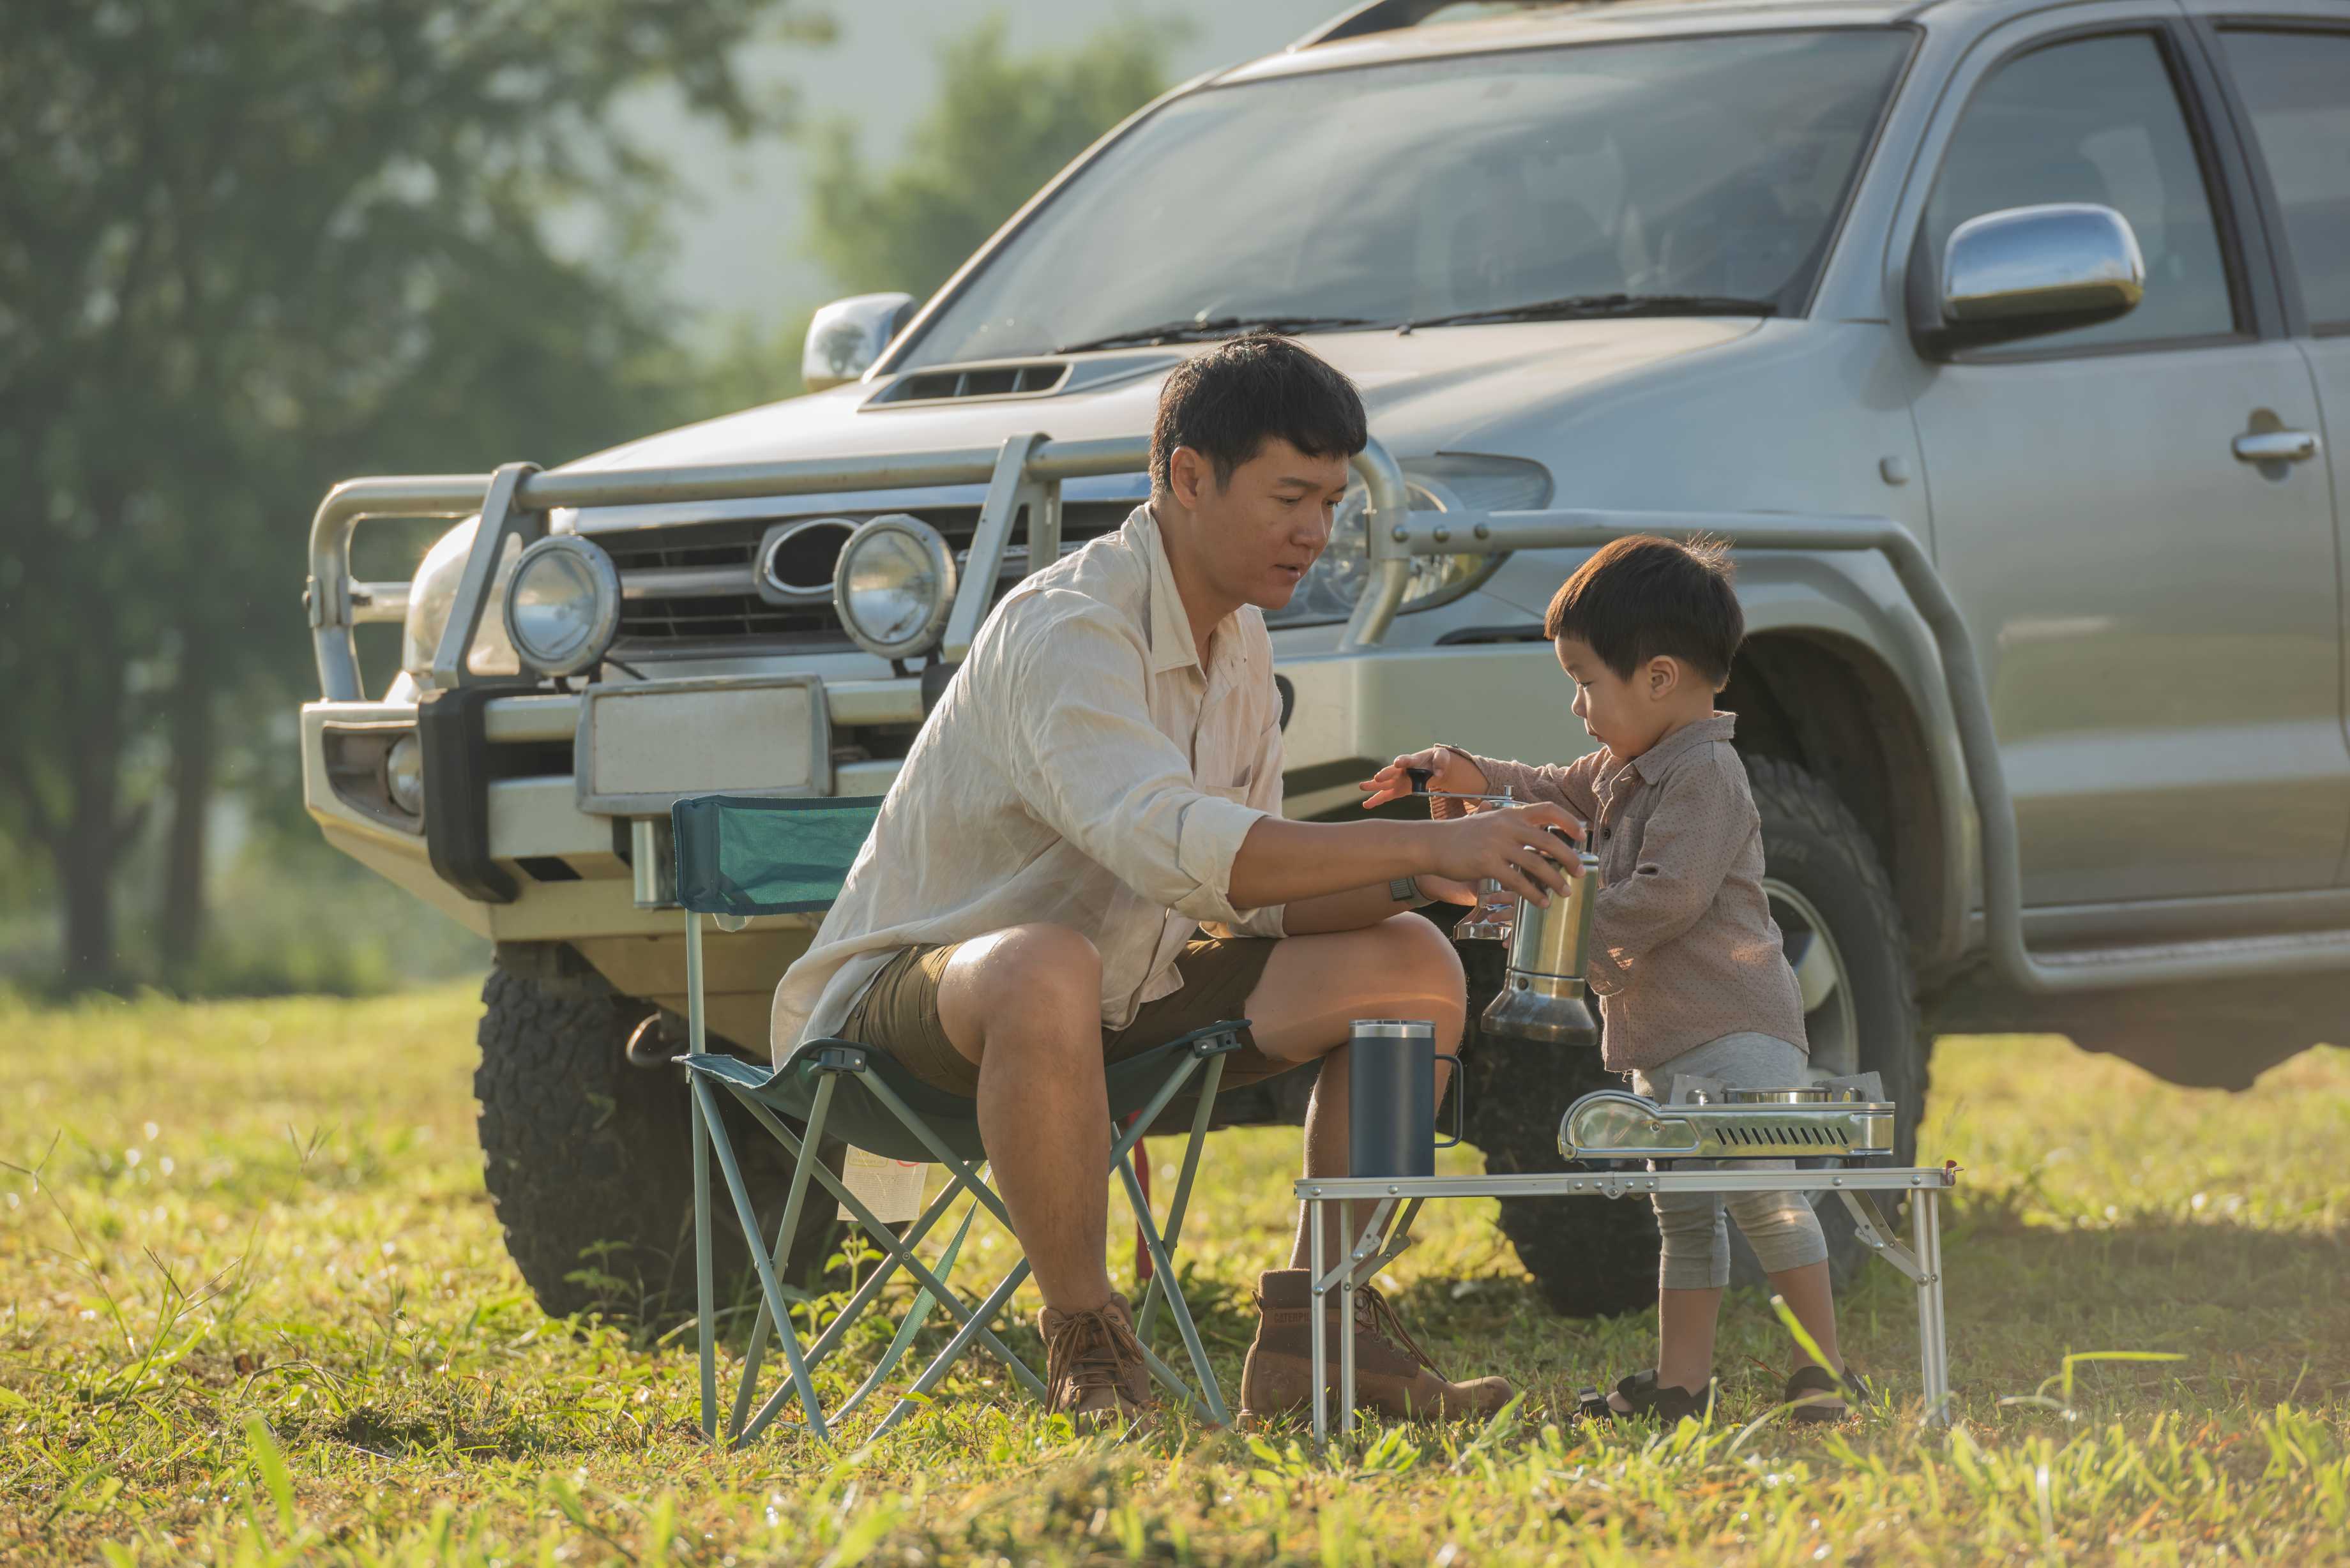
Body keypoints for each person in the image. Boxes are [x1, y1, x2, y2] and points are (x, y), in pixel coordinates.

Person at [771, 335, 1579, 1431]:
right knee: (1042, 963)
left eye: (1333, 500)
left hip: (1126, 994)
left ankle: (1320, 1329)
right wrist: (1425, 848)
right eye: (1290, 495)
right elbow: (1175, 846)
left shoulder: (1241, 637)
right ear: (1188, 477)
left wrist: (1436, 874)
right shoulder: (1070, 629)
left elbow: (1246, 892)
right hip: (917, 1016)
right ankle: (1087, 1342)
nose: (1316, 532)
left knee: (1411, 966)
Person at [1362, 535, 1868, 1423]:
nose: (1577, 704)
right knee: (1681, 1214)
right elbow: (1553, 788)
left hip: (1739, 1036)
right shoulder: (1628, 770)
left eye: (1588, 681)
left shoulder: (1706, 775)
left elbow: (1665, 902)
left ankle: (1821, 1370)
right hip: (1667, 1043)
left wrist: (1554, 924)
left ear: (1661, 678)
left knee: (1761, 1194)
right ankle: (1682, 1382)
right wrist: (1473, 774)